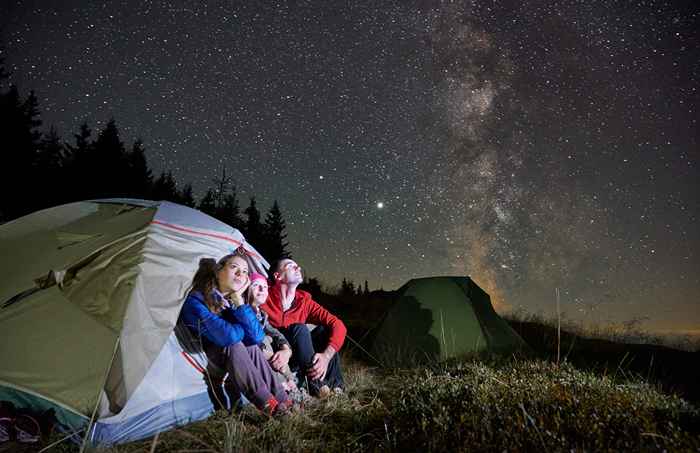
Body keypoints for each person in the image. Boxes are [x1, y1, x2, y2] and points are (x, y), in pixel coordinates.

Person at [178, 251, 291, 415]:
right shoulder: (196, 300)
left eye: (245, 271)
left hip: (232, 357)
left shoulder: (232, 304)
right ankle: (268, 405)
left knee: (251, 346)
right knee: (236, 344)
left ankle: (283, 400)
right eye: (234, 267)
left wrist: (238, 300)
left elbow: (257, 337)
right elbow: (229, 337)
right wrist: (241, 328)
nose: (240, 274)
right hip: (213, 354)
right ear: (218, 271)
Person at [261, 259, 346, 397]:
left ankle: (337, 387)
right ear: (278, 276)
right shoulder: (264, 295)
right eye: (291, 266)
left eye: (297, 266)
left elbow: (338, 325)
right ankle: (318, 387)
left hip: (300, 354)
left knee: (324, 331)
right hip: (280, 354)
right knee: (299, 328)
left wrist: (326, 356)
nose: (298, 267)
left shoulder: (304, 301)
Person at [246, 272, 297, 391]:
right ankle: (282, 386)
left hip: (267, 353)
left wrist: (286, 349)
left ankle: (291, 382)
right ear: (246, 289)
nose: (261, 289)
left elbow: (275, 332)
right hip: (256, 350)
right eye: (256, 285)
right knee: (265, 339)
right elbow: (248, 335)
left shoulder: (262, 314)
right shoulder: (244, 310)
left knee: (274, 341)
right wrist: (265, 352)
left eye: (264, 287)